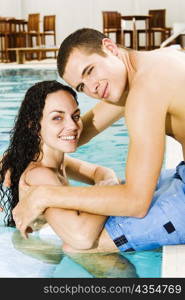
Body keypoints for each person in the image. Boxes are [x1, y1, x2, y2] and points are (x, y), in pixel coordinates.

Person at [9, 28, 185, 252]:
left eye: (90, 70)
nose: (92, 87)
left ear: (110, 48)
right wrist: (16, 156)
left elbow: (136, 203)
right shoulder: (153, 64)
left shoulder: (144, 93)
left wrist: (44, 195)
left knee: (79, 246)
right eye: (81, 87)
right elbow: (74, 131)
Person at [0, 80, 138, 277]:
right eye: (57, 118)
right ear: (33, 125)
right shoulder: (40, 174)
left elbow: (102, 172)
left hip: (41, 256)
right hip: (25, 271)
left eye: (76, 116)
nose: (72, 126)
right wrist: (110, 193)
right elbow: (83, 237)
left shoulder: (59, 162)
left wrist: (107, 186)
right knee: (121, 272)